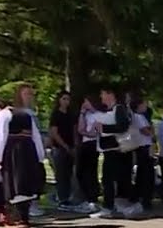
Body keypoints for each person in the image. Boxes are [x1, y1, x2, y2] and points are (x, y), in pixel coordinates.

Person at [0, 83, 47, 228]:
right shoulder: (20, 115)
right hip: (24, 151)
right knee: (21, 183)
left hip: (16, 151)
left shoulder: (9, 115)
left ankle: (20, 218)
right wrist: (39, 156)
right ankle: (22, 217)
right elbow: (35, 137)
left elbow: (0, 137)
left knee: (18, 183)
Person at [89, 86, 136, 219]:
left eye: (103, 94)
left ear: (110, 94)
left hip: (116, 150)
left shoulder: (119, 108)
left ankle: (109, 207)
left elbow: (122, 126)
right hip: (112, 150)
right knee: (113, 179)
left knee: (109, 179)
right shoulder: (115, 109)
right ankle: (119, 205)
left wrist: (103, 127)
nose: (101, 97)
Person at [47, 92, 79, 211]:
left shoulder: (71, 114)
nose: (66, 101)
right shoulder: (56, 114)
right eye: (64, 99)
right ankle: (61, 198)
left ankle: (68, 197)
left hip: (71, 146)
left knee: (69, 173)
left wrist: (74, 144)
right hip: (59, 147)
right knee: (60, 174)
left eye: (68, 99)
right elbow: (54, 132)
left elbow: (75, 130)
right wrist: (65, 146)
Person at [74, 97, 102, 214]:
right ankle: (86, 196)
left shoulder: (99, 115)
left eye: (86, 102)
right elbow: (81, 129)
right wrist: (82, 112)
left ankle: (92, 198)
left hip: (93, 144)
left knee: (90, 171)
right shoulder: (87, 115)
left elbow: (93, 133)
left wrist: (86, 132)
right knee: (80, 171)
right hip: (85, 143)